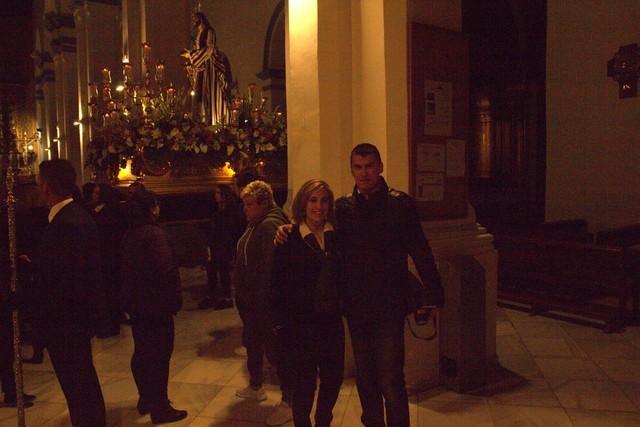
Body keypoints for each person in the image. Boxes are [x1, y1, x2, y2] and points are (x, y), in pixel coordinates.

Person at [276, 143, 445, 427]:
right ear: (351, 170)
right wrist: (287, 229)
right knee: (366, 381)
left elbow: (421, 250)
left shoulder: (400, 204)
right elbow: (315, 225)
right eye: (358, 167)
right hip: (355, 309)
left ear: (379, 167)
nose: (364, 173)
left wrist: (434, 294)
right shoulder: (343, 208)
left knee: (391, 380)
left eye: (369, 166)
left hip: (389, 308)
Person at [32, 159, 106, 425]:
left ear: (46, 187)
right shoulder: (78, 215)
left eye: (39, 183)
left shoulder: (65, 224)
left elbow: (64, 281)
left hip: (66, 323)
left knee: (79, 389)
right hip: (77, 320)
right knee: (83, 384)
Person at [271, 179, 344, 427]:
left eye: (324, 200)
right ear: (303, 203)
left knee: (334, 377)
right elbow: (277, 285)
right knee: (304, 382)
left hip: (331, 320)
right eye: (313, 200)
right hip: (301, 324)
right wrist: (279, 325)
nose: (319, 206)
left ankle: (324, 420)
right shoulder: (289, 238)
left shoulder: (338, 236)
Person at [120, 189, 187, 424]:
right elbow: (166, 270)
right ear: (151, 208)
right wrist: (174, 301)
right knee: (159, 356)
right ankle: (160, 407)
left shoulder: (130, 233)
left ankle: (145, 398)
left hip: (138, 306)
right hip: (156, 306)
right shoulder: (155, 234)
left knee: (142, 353)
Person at [233, 180, 293, 426]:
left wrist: (261, 303)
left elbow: (269, 271)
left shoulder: (269, 227)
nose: (245, 210)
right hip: (253, 301)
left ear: (264, 204)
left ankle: (290, 402)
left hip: (264, 303)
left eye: (249, 205)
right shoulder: (257, 223)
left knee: (277, 353)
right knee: (254, 343)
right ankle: (256, 386)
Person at [198, 184, 245, 310]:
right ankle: (212, 295)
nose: (216, 196)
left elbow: (231, 229)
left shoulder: (231, 211)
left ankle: (227, 298)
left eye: (218, 193)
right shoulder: (219, 209)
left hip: (225, 245)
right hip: (216, 244)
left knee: (224, 271)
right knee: (211, 270)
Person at [182, 11, 231, 125]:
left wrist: (192, 56)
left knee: (211, 93)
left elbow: (209, 49)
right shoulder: (198, 35)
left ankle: (215, 121)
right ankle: (202, 121)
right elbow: (197, 51)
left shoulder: (209, 32)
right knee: (200, 97)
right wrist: (190, 55)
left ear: (201, 19)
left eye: (195, 18)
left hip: (209, 66)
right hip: (199, 68)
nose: (194, 21)